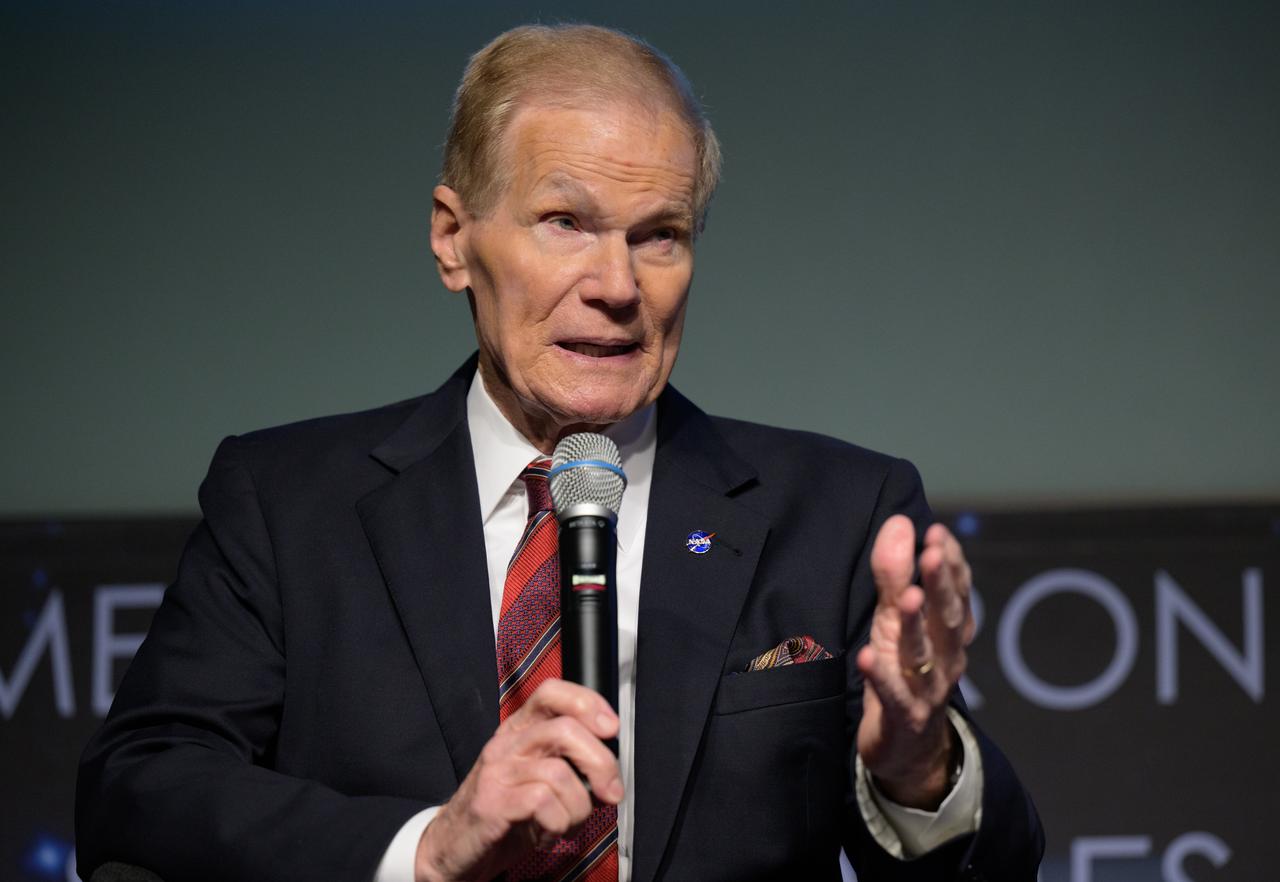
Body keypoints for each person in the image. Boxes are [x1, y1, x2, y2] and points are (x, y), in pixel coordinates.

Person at [77, 23, 1043, 882]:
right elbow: (141, 787)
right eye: (566, 223)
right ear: (453, 239)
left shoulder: (839, 513)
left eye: (659, 236)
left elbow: (995, 867)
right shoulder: (287, 505)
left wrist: (918, 768)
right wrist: (427, 850)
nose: (617, 285)